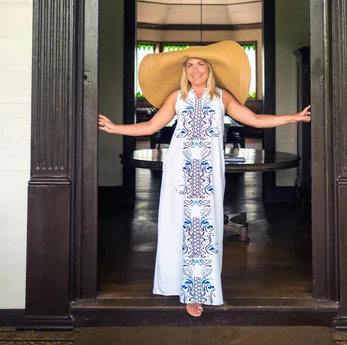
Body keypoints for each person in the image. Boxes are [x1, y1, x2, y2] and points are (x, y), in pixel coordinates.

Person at [98, 40, 311, 318]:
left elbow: (255, 120)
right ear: (184, 71)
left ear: (209, 69)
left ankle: (200, 290)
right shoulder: (176, 97)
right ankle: (183, 290)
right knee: (178, 227)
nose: (195, 70)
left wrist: (292, 118)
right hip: (179, 173)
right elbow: (151, 126)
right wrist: (115, 129)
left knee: (204, 231)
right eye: (190, 65)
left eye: (200, 65)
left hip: (209, 174)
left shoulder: (222, 97)